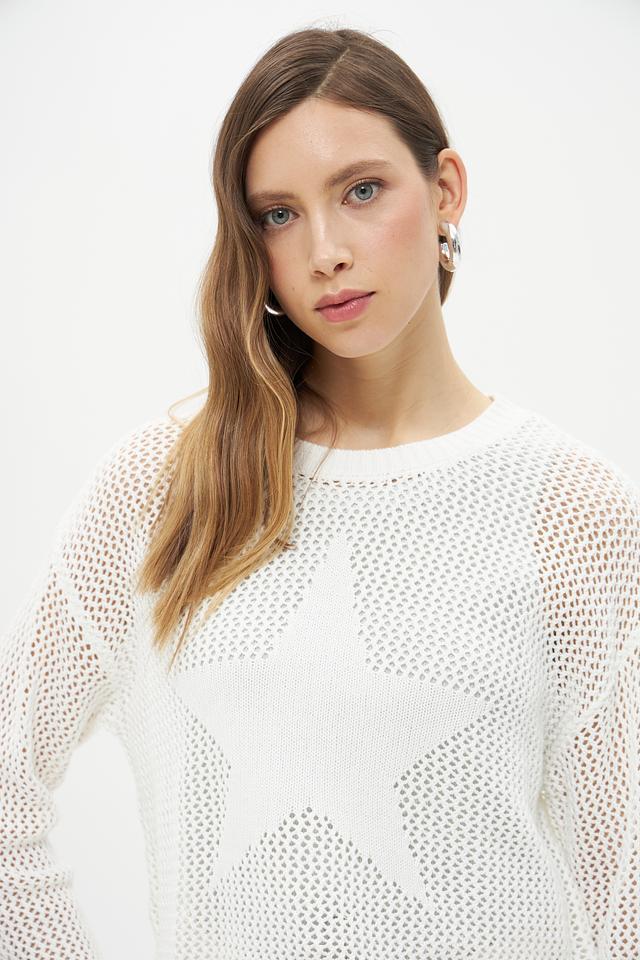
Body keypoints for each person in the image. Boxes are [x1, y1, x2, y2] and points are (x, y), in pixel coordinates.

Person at [1, 25, 638, 960]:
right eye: (278, 214)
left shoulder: (573, 510)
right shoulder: (167, 487)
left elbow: (623, 892)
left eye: (362, 191)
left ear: (446, 190)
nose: (326, 251)